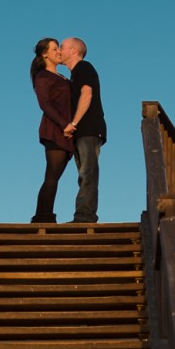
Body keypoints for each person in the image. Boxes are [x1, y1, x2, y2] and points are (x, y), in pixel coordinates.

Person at [59, 37, 107, 224]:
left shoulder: (84, 67)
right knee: (84, 173)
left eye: (62, 47)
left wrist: (74, 123)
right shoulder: (74, 74)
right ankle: (84, 215)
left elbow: (87, 94)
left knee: (88, 173)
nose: (59, 50)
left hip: (89, 128)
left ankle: (85, 217)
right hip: (82, 131)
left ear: (73, 51)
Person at [30, 38, 74, 223]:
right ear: (44, 54)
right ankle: (43, 217)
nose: (58, 52)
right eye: (54, 49)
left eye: (59, 48)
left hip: (67, 131)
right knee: (52, 175)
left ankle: (43, 216)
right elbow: (45, 104)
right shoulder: (43, 77)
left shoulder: (62, 77)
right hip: (55, 130)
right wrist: (64, 124)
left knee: (54, 176)